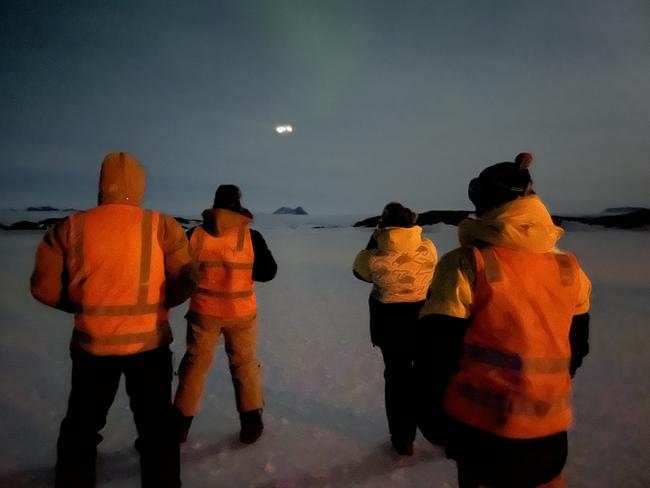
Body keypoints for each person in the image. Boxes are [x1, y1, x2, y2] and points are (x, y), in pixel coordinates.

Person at [416, 153, 591, 487]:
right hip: (550, 433)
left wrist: (434, 422)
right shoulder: (569, 268)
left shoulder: (467, 263)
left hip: (483, 435)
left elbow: (435, 354)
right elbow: (576, 349)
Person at [30, 151, 197, 488]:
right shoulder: (160, 225)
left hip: (93, 348)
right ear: (140, 185)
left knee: (82, 426)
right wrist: (162, 303)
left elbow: (43, 287)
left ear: (101, 184)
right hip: (149, 346)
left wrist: (81, 305)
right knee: (156, 431)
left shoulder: (70, 227)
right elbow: (185, 280)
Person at [173, 184, 277, 445]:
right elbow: (268, 272)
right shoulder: (251, 236)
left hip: (203, 314)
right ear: (238, 204)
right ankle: (251, 421)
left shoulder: (194, 235)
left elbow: (178, 272)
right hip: (241, 314)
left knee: (195, 367)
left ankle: (179, 426)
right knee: (244, 365)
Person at [353, 202, 437, 455]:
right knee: (425, 377)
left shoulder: (375, 257)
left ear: (383, 226)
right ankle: (436, 429)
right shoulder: (428, 248)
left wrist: (374, 240)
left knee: (398, 379)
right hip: (424, 318)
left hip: (389, 325)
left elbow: (359, 272)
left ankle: (403, 439)